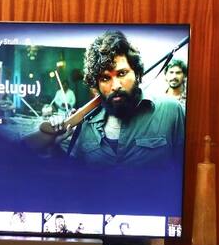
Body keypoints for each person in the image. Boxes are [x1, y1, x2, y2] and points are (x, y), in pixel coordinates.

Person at [70, 31, 185, 167]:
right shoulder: (86, 124)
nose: (116, 86)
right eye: (105, 78)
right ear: (97, 85)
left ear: (136, 73)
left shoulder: (172, 111)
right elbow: (74, 174)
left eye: (122, 73)